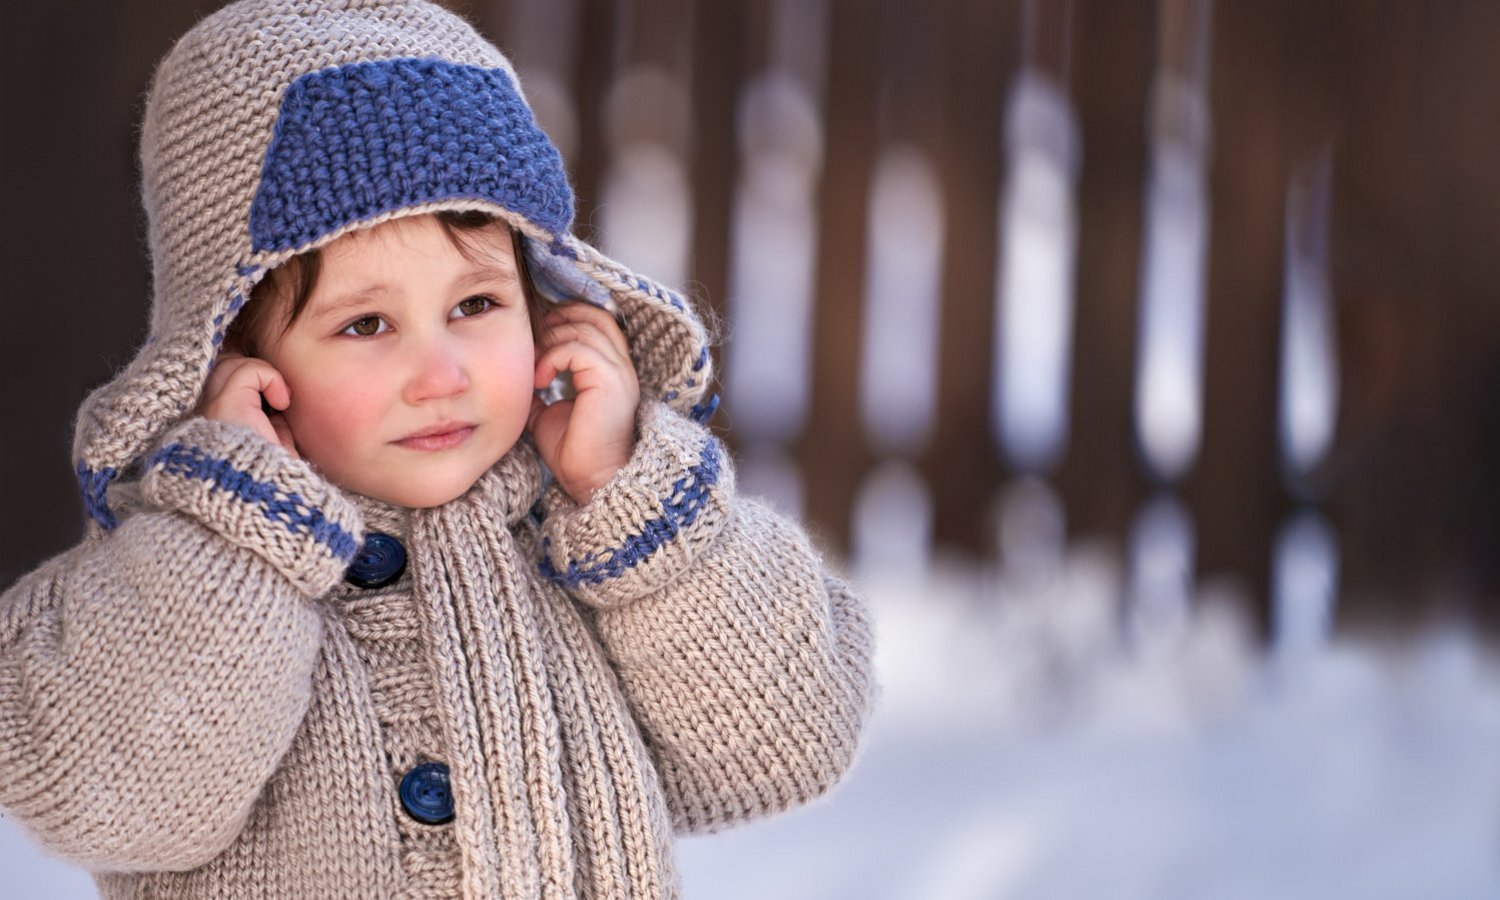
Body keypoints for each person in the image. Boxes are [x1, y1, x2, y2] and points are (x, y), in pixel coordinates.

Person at [0, 1, 875, 897]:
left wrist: (630, 500)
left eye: (476, 306)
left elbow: (791, 741)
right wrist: (235, 533)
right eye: (366, 323)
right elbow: (107, 795)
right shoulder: (170, 561)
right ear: (234, 354)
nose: (441, 373)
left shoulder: (581, 530)